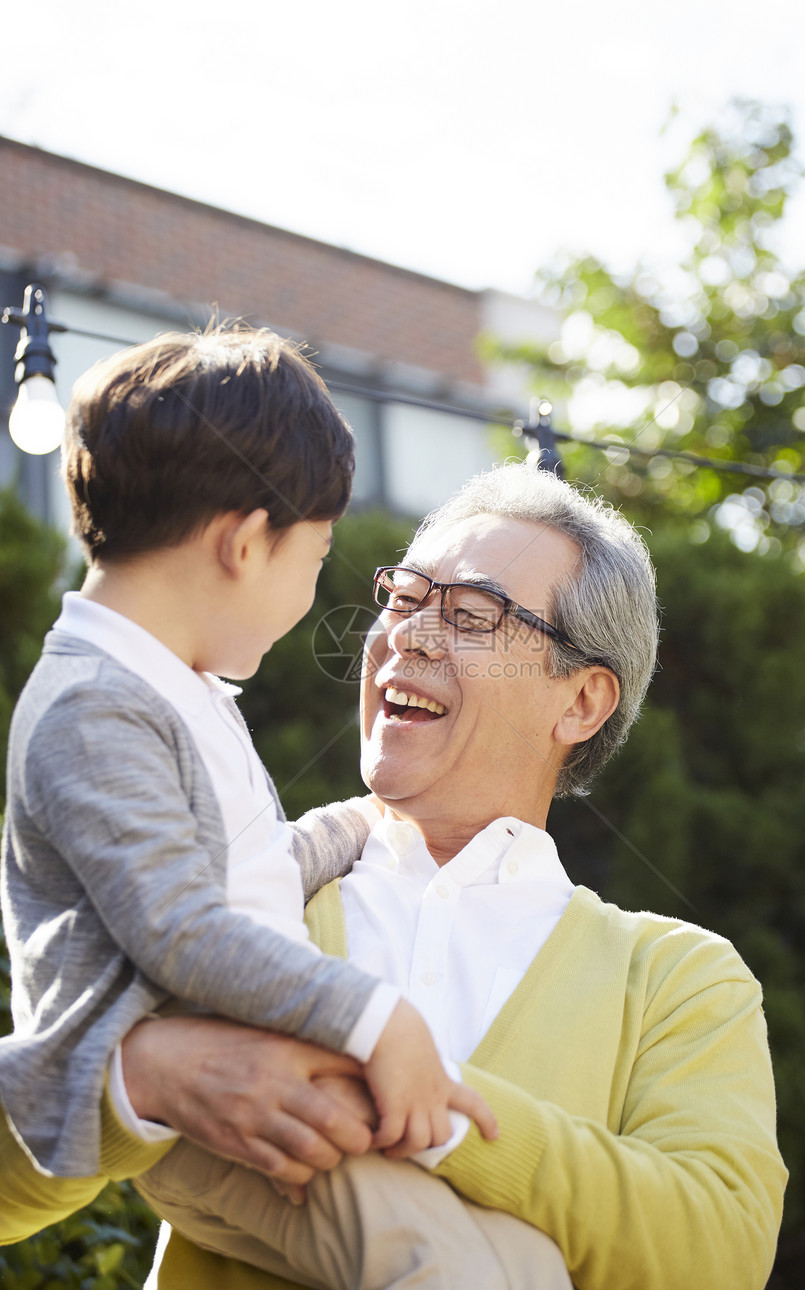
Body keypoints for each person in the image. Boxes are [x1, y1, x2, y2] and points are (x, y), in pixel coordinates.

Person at [2, 460, 788, 1289]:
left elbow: (720, 1250)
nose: (408, 633)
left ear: (582, 702)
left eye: (475, 614)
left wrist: (426, 1105)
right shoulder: (240, 896)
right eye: (406, 598)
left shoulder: (678, 977)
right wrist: (148, 1079)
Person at [0, 326, 531, 1290]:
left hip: (243, 1082)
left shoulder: (175, 688)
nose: (322, 582)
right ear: (245, 543)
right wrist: (382, 1021)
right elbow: (185, 932)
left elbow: (247, 873)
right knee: (436, 1263)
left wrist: (356, 825)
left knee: (524, 1259)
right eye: (319, 552)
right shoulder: (95, 707)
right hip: (211, 1114)